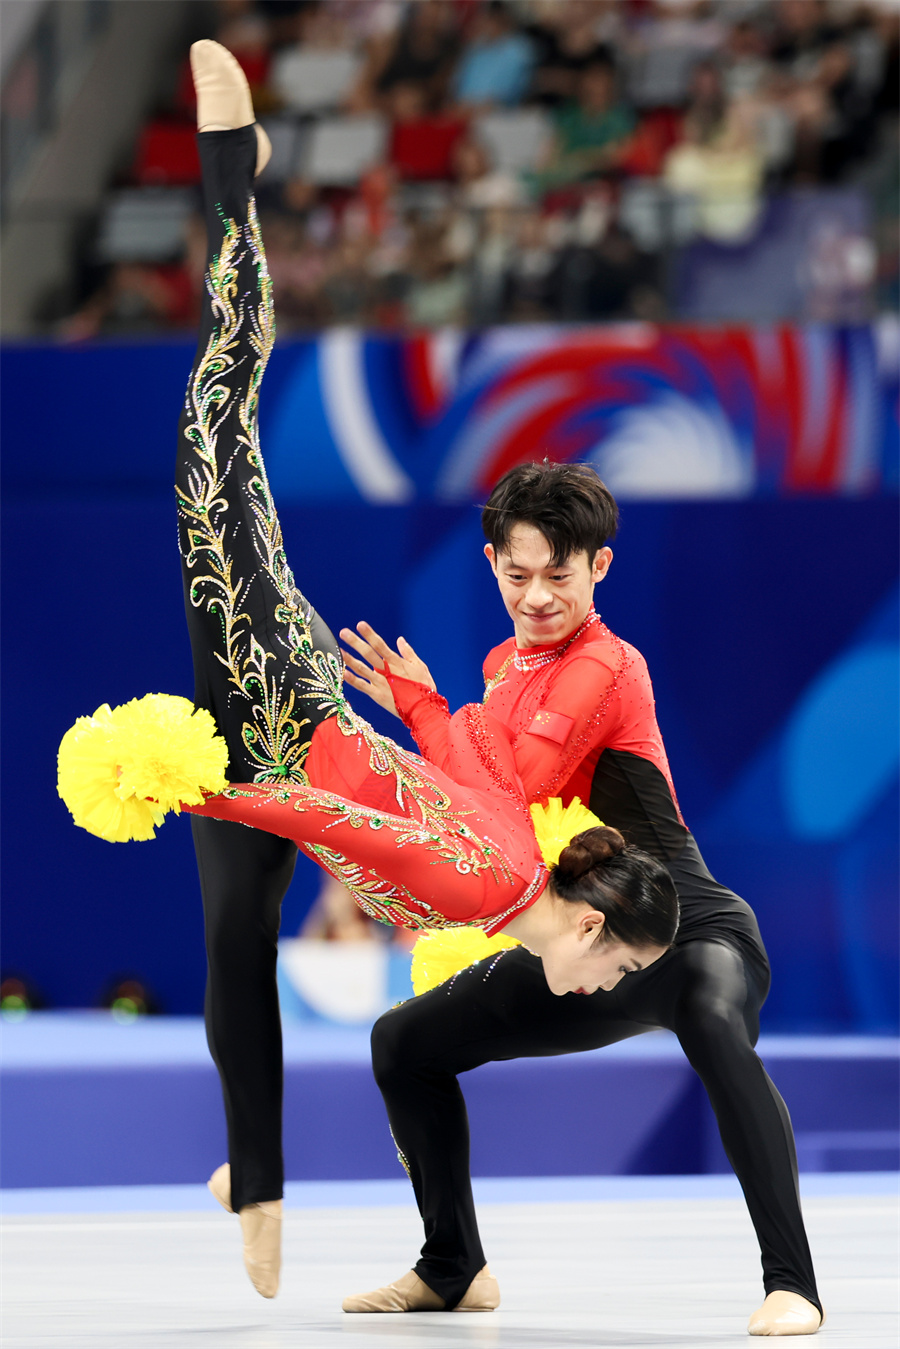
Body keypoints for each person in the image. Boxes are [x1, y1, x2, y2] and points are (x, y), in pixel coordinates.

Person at [143, 39, 677, 1309]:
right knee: (214, 425)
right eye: (616, 974)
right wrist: (195, 785)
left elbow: (464, 763)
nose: (603, 995)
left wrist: (421, 705)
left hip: (283, 751)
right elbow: (344, 821)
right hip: (277, 715)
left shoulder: (509, 879)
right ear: (589, 928)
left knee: (233, 939)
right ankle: (234, 188)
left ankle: (258, 1180)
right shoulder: (493, 882)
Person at [338, 465, 825, 1337]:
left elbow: (513, 790)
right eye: (517, 573)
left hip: (688, 932)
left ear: (600, 565)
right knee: (402, 1043)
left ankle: (793, 1284)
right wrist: (424, 719)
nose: (537, 596)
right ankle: (453, 1265)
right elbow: (482, 802)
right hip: (583, 943)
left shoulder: (607, 664)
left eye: (559, 574)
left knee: (710, 1018)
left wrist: (426, 712)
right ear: (491, 563)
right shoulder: (502, 667)